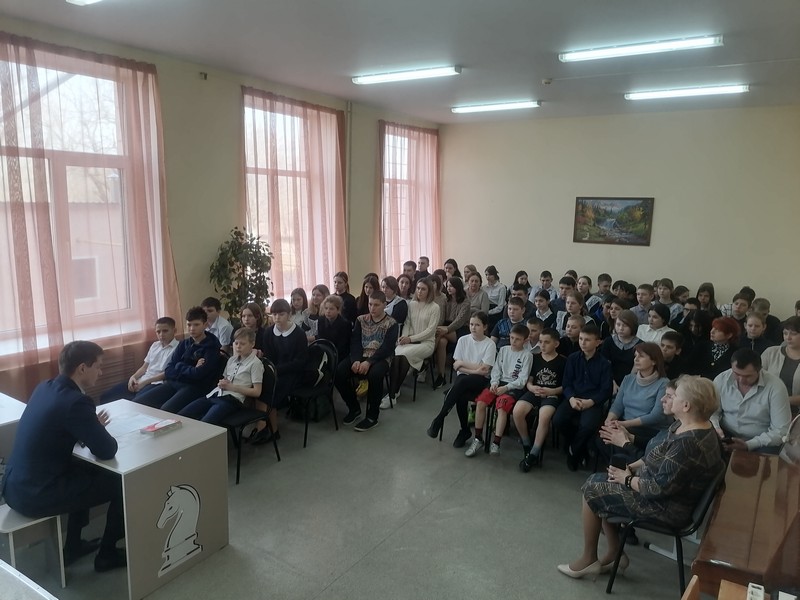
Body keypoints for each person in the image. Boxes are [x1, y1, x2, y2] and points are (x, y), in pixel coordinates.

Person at [557, 375, 725, 579]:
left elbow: (657, 489)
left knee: (592, 489)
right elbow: (657, 456)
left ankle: (589, 559)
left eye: (675, 396)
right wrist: (630, 468)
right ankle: (614, 554)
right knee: (604, 481)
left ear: (686, 405)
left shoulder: (688, 444)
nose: (667, 398)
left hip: (666, 508)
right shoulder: (687, 425)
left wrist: (627, 479)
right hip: (662, 493)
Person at [2, 341, 126, 572]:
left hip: (13, 486)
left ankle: (73, 546)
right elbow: (107, 450)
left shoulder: (45, 387)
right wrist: (94, 429)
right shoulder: (77, 402)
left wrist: (88, 427)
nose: (101, 372)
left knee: (84, 471)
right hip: (36, 495)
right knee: (122, 483)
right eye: (98, 366)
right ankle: (107, 555)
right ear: (82, 368)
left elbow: (57, 429)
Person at [427, 312, 496, 447]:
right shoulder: (463, 340)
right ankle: (464, 430)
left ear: (485, 327)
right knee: (460, 394)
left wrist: (465, 365)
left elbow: (484, 370)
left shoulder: (490, 344)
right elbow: (456, 366)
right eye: (471, 324)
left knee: (460, 383)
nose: (473, 327)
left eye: (477, 325)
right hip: (464, 377)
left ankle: (439, 419)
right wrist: (475, 369)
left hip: (480, 381)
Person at [134, 306, 221, 412]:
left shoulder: (212, 347)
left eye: (196, 324)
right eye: (189, 325)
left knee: (166, 410)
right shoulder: (184, 343)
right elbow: (169, 370)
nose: (192, 328)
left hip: (195, 387)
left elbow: (198, 375)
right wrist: (190, 367)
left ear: (205, 325)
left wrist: (179, 365)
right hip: (175, 382)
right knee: (138, 402)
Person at [464, 324, 532, 457]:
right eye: (512, 338)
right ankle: (478, 438)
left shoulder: (527, 355)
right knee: (481, 402)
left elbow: (522, 380)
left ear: (525, 341)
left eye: (518, 339)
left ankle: (496, 442)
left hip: (513, 387)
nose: (513, 341)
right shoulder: (504, 350)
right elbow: (496, 369)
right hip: (498, 383)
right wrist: (494, 382)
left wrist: (506, 388)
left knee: (501, 406)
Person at [595, 343, 669, 465]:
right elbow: (617, 405)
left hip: (649, 429)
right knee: (602, 438)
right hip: (626, 424)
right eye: (635, 356)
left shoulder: (663, 383)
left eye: (641, 356)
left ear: (654, 361)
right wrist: (609, 421)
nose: (636, 359)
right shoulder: (628, 379)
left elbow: (655, 416)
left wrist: (623, 424)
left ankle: (626, 469)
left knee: (617, 442)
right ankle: (618, 468)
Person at [334, 291, 398, 430]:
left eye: (376, 305)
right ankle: (354, 408)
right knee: (338, 373)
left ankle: (372, 417)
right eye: (370, 304)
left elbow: (387, 348)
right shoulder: (360, 320)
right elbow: (355, 342)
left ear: (384, 305)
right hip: (360, 355)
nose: (372, 308)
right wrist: (356, 360)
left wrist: (369, 362)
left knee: (375, 375)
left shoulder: (392, 323)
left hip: (381, 357)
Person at [553, 324, 613, 471]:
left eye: (587, 340)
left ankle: (573, 451)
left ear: (598, 342)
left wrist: (591, 402)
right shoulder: (573, 358)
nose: (583, 343)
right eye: (580, 339)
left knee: (588, 426)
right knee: (558, 420)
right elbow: (567, 383)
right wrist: (571, 398)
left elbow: (606, 390)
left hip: (592, 401)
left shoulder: (604, 364)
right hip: (574, 398)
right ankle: (579, 444)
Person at [251, 299, 309, 444]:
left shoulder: (299, 333)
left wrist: (276, 370)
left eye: (281, 314)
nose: (277, 318)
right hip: (274, 371)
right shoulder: (269, 332)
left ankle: (267, 428)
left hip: (293, 373)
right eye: (274, 314)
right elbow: (269, 357)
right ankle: (266, 427)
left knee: (270, 391)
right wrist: (271, 370)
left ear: (289, 314)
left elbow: (300, 362)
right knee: (259, 386)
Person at [712, 348, 791, 453]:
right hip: (726, 433)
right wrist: (716, 428)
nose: (741, 380)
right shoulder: (722, 379)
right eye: (736, 374)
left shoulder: (776, 387)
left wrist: (749, 445)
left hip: (761, 440)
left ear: (759, 370)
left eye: (747, 376)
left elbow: (781, 430)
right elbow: (712, 412)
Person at [178, 328, 264, 424]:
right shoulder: (231, 360)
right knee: (182, 415)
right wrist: (222, 383)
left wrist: (232, 387)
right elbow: (225, 378)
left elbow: (257, 392)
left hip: (232, 400)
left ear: (252, 344)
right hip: (216, 394)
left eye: (242, 344)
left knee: (205, 423)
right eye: (236, 343)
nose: (238, 347)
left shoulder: (255, 364)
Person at [382, 277, 440, 407]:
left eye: (423, 289)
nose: (419, 291)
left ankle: (392, 394)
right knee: (396, 354)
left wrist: (410, 339)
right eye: (418, 288)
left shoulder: (434, 307)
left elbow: (430, 331)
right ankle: (395, 391)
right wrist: (403, 337)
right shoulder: (412, 304)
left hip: (426, 343)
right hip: (409, 341)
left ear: (429, 291)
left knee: (404, 355)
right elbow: (407, 323)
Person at [515, 328, 567, 470]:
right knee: (517, 411)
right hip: (535, 392)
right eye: (541, 342)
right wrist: (531, 387)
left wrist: (552, 391)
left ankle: (534, 453)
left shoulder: (563, 361)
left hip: (552, 394)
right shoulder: (535, 358)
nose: (542, 345)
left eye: (546, 342)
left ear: (556, 344)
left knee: (544, 417)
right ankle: (527, 444)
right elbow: (529, 380)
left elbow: (566, 386)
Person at [100, 317, 179, 402]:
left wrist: (145, 382)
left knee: (135, 403)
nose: (161, 335)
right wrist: (133, 377)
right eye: (158, 332)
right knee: (106, 396)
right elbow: (144, 367)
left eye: (165, 331)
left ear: (174, 331)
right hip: (143, 379)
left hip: (157, 383)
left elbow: (167, 373)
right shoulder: (155, 345)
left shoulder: (178, 348)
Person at [433, 277, 471, 388]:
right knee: (442, 342)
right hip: (446, 328)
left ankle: (427, 358)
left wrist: (446, 329)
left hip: (460, 329)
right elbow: (442, 317)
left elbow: (459, 321)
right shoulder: (446, 300)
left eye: (451, 286)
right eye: (447, 286)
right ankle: (441, 375)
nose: (448, 288)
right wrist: (444, 328)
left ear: (458, 287)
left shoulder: (466, 302)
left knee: (438, 331)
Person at [761, 316, 800, 408]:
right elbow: (757, 378)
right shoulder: (771, 352)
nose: (788, 337)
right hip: (767, 407)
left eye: (793, 334)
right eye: (785, 333)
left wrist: (782, 400)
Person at [601, 309, 641, 389]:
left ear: (632, 326)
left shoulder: (640, 345)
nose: (621, 328)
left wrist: (625, 386)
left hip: (631, 383)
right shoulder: (609, 341)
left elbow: (636, 369)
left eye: (625, 325)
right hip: (609, 380)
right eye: (618, 324)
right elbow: (604, 365)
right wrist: (612, 382)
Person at [315, 295, 351, 360]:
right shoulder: (321, 320)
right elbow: (320, 340)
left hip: (339, 354)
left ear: (338, 310)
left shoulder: (345, 324)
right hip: (324, 352)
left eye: (331, 309)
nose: (328, 311)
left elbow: (343, 346)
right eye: (326, 308)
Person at [483, 265, 507, 330]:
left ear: (494, 275)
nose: (487, 277)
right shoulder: (484, 288)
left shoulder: (501, 287)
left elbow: (500, 307)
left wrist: (488, 312)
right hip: (486, 309)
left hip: (497, 312)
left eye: (490, 275)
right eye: (486, 275)